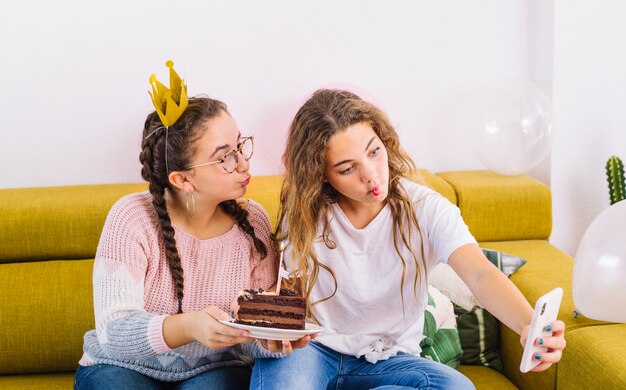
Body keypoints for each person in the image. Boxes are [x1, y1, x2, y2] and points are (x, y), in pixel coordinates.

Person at [251, 89, 567, 389]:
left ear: (384, 140)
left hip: (389, 359)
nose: (372, 175)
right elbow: (289, 290)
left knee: (455, 386)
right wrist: (274, 330)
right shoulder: (304, 212)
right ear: (321, 173)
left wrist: (529, 326)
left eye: (375, 152)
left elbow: (480, 273)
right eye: (348, 169)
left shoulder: (427, 208)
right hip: (314, 351)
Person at [74, 62, 308, 390]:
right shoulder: (131, 218)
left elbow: (252, 335)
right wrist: (190, 327)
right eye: (225, 157)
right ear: (183, 179)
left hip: (214, 370)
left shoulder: (252, 222)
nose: (243, 163)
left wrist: (272, 342)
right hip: (121, 367)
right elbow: (114, 332)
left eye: (241, 146)